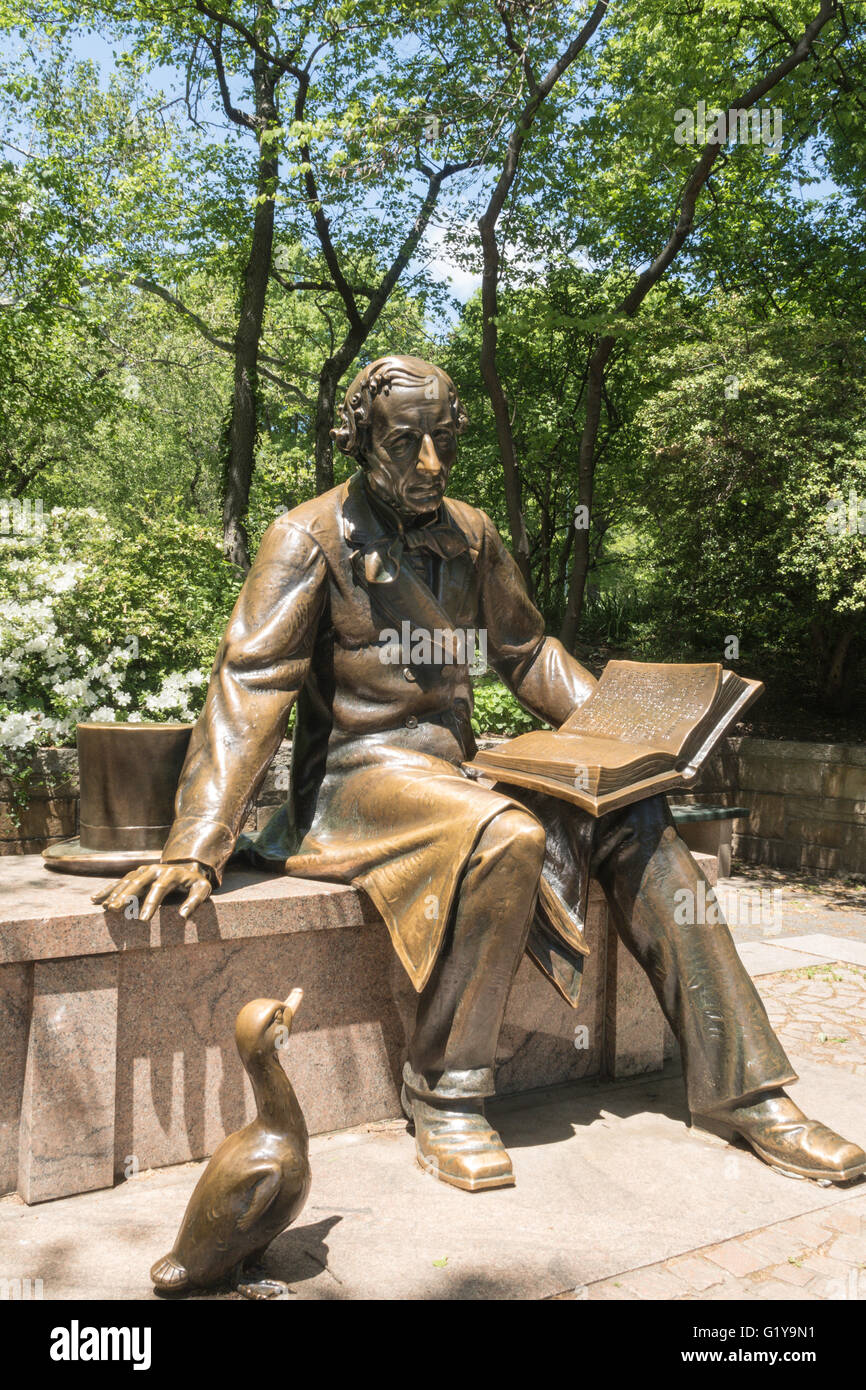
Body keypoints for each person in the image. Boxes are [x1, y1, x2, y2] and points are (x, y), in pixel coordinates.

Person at [96, 355, 866, 1193]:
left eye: (443, 442)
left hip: (451, 773)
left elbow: (527, 652)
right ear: (358, 440)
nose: (429, 463)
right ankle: (447, 1090)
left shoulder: (472, 531)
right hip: (357, 783)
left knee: (639, 818)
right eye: (405, 442)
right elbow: (251, 686)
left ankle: (747, 1092)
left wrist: (631, 734)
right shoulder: (306, 537)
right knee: (505, 835)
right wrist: (197, 842)